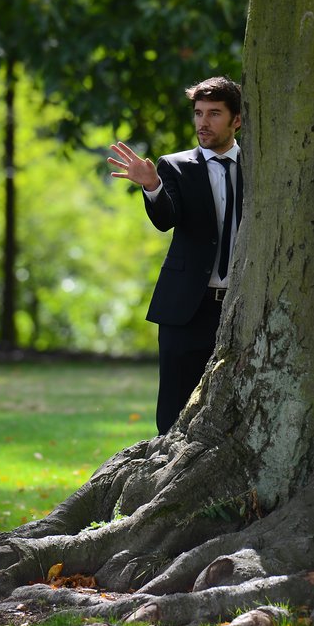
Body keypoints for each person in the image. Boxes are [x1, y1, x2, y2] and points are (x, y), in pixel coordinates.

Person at [109, 76, 244, 434]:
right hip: (186, 308)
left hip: (242, 307)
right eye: (198, 113)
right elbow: (166, 219)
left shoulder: (261, 168)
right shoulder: (175, 166)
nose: (203, 122)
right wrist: (152, 185)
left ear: (237, 121)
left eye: (214, 114)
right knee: (173, 406)